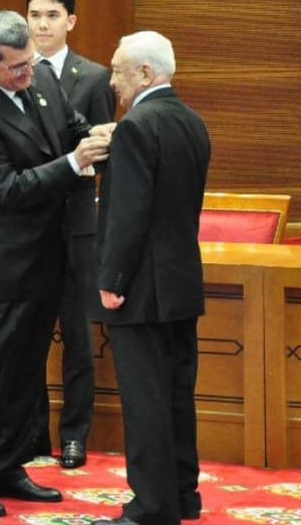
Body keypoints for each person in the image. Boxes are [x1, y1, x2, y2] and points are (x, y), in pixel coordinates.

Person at [0, 10, 113, 518]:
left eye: (30, 63)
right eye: (16, 68)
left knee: (25, 368)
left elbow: (71, 126)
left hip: (47, 256)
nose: (27, 73)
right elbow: (7, 189)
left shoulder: (41, 76)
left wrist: (102, 138)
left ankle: (10, 463)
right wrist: (74, 163)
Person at [91, 31, 211, 525]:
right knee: (176, 396)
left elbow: (128, 214)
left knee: (145, 402)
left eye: (118, 70)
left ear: (145, 73)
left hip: (141, 288)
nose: (112, 80)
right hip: (181, 283)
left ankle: (152, 507)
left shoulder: (136, 126)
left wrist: (111, 278)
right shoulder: (192, 121)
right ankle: (183, 495)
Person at [26, 0, 115, 469]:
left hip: (79, 224)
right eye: (36, 15)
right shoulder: (17, 73)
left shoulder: (95, 78)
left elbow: (104, 160)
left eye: (52, 16)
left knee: (78, 336)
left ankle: (75, 434)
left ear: (70, 22)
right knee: (31, 335)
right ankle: (34, 431)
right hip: (31, 225)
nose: (43, 24)